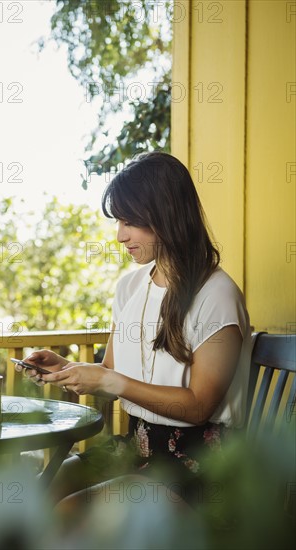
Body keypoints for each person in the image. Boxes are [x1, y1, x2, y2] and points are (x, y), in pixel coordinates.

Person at [14, 151, 252, 513]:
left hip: (199, 466)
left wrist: (112, 382)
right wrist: (63, 368)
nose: (120, 236)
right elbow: (111, 370)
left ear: (166, 216)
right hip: (136, 447)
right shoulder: (129, 287)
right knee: (40, 492)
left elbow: (200, 406)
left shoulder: (216, 295)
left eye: (130, 221)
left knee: (70, 510)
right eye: (118, 221)